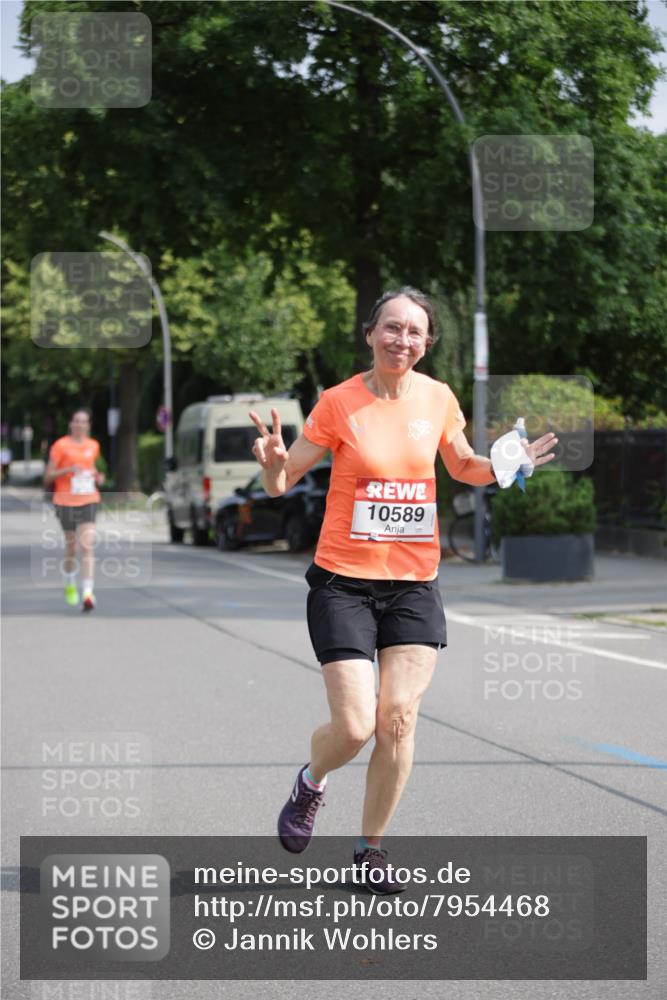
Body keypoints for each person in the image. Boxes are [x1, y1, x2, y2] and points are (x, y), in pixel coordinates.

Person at [249, 287, 557, 894]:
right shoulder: (339, 403)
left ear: (427, 343)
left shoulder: (438, 398)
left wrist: (507, 462)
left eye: (415, 333)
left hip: (414, 583)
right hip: (343, 582)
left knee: (398, 721)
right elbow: (284, 481)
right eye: (392, 328)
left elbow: (464, 465)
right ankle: (311, 781)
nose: (402, 341)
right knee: (358, 726)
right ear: (371, 334)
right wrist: (271, 460)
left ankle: (369, 850)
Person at [43, 408, 106, 611]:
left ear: (88, 425)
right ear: (71, 424)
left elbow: (92, 468)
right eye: (76, 421)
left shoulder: (93, 445)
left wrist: (98, 477)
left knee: (87, 545)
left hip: (88, 499)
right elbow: (48, 477)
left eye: (83, 421)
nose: (79, 424)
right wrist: (68, 470)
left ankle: (88, 593)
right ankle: (70, 582)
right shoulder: (60, 446)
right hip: (65, 501)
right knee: (72, 547)